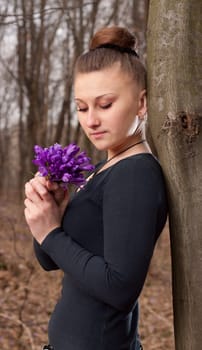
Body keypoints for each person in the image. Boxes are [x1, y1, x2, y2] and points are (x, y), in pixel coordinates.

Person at [24, 26, 168, 350]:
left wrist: (51, 233)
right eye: (82, 107)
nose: (90, 121)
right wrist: (52, 214)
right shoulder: (105, 168)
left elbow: (120, 288)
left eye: (104, 104)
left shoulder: (137, 173)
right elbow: (50, 261)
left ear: (141, 103)